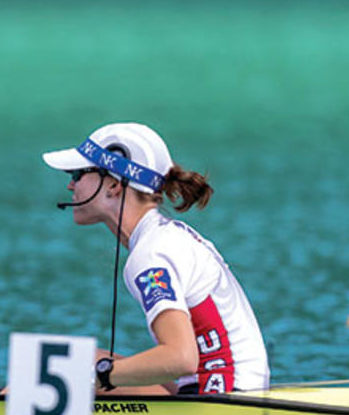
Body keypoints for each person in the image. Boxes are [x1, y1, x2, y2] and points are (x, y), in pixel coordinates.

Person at [41, 122, 268, 395]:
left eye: (77, 174)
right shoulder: (165, 236)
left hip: (225, 395)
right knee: (80, 361)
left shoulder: (151, 255)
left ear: (113, 185)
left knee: (58, 373)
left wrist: (94, 379)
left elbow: (180, 357)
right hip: (232, 385)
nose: (70, 185)